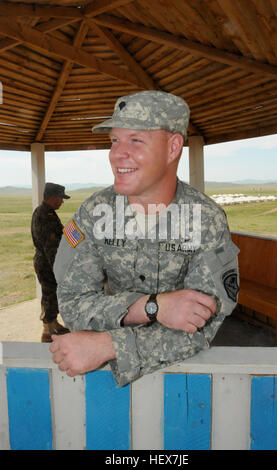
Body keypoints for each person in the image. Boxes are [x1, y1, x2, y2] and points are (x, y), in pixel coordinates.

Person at [50, 91, 239, 386]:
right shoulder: (93, 213)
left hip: (183, 382)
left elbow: (203, 325)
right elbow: (73, 303)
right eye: (114, 141)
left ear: (173, 147)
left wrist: (107, 345)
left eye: (135, 140)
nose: (117, 153)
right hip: (107, 384)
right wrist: (154, 306)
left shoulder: (206, 220)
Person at [31, 182, 70, 342]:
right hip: (48, 262)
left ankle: (54, 323)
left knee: (52, 294)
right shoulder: (45, 216)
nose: (62, 202)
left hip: (47, 261)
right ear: (53, 198)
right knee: (49, 294)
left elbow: (62, 235)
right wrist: (59, 268)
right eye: (61, 198)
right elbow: (51, 247)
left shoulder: (47, 212)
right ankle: (47, 331)